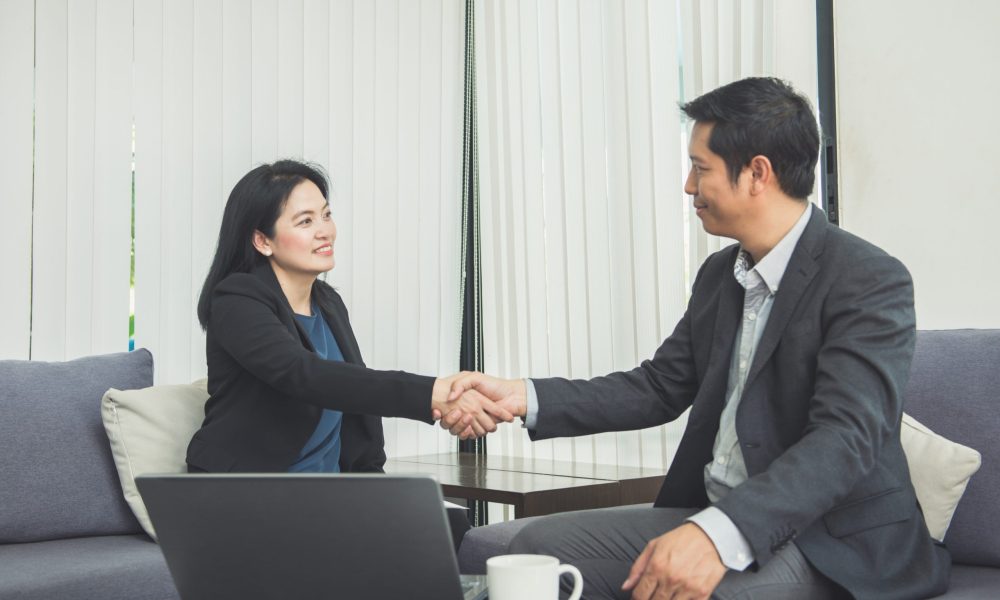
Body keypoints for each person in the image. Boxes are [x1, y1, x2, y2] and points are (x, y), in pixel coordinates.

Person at [441, 78, 950, 599]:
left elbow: (845, 439)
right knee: (531, 548)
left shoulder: (867, 277)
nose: (689, 186)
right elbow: (659, 387)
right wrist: (524, 396)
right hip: (715, 511)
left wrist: (715, 535)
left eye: (700, 168)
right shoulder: (719, 275)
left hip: (829, 542)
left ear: (757, 173)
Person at [187, 159, 511, 474]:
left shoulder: (327, 302)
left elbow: (356, 402)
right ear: (262, 240)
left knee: (444, 524)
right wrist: (434, 394)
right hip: (246, 491)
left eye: (326, 215)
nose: (324, 231)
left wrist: (374, 484)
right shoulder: (237, 298)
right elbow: (305, 375)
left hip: (330, 495)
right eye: (305, 221)